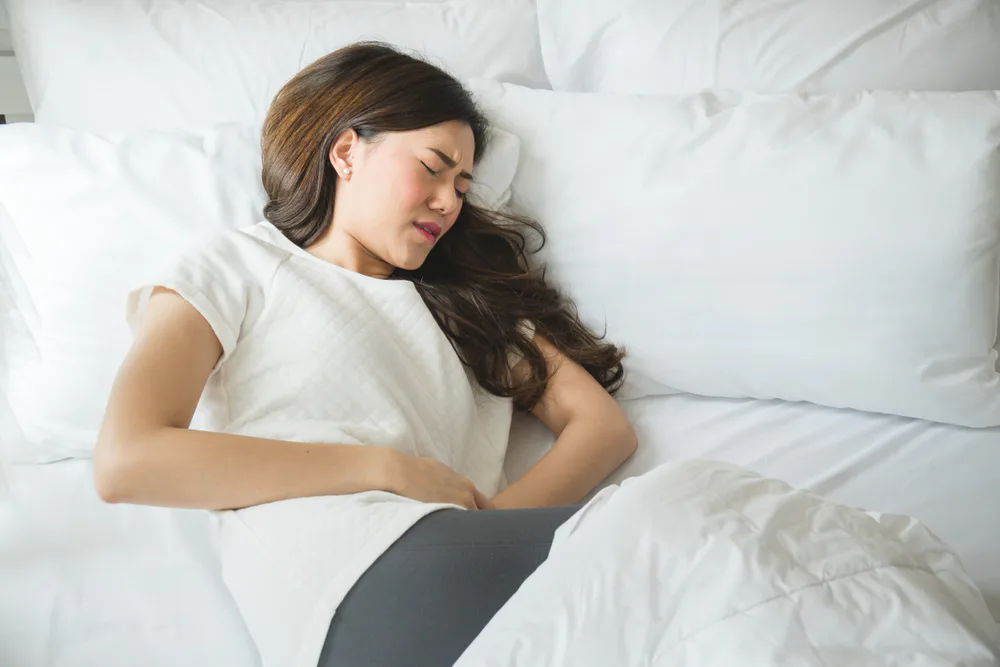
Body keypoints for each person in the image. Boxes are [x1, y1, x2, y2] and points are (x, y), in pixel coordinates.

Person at [94, 42, 638, 667]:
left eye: (463, 185)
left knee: (704, 539)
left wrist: (487, 522)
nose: (449, 202)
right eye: (433, 167)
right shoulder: (236, 264)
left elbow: (602, 426)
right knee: (698, 528)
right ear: (347, 152)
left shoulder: (463, 307)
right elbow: (127, 460)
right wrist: (386, 469)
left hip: (456, 565)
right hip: (342, 572)